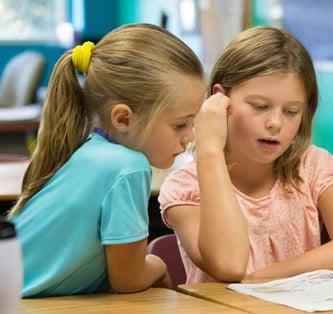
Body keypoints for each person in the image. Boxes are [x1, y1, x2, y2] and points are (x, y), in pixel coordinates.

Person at [159, 26, 333, 283]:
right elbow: (229, 264)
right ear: (220, 101)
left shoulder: (312, 166)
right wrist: (209, 149)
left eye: (291, 111)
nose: (275, 123)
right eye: (260, 107)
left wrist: (263, 277)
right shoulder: (186, 186)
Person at [10, 23, 205, 297]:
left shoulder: (89, 149)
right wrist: (158, 264)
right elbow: (128, 278)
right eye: (180, 125)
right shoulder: (128, 168)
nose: (190, 137)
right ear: (123, 118)